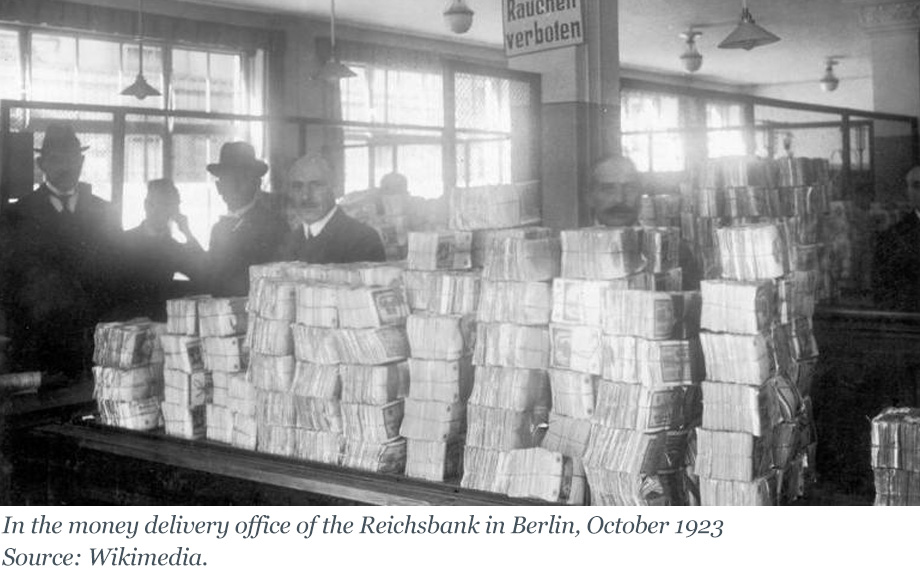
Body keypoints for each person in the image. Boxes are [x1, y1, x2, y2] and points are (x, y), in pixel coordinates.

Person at [0, 122, 120, 377]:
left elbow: (116, 278)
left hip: (93, 347)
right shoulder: (16, 215)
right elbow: (7, 283)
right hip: (36, 349)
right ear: (41, 164)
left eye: (73, 158)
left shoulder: (105, 213)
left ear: (82, 161)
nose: (67, 165)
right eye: (57, 158)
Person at [587, 155, 700, 290]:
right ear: (590, 197)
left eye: (629, 188)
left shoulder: (676, 251)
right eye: (608, 188)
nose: (619, 199)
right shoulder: (567, 254)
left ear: (641, 194)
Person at [206, 142, 287, 298]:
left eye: (243, 177)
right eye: (229, 178)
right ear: (219, 187)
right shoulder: (218, 230)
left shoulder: (274, 226)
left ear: (257, 184)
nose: (235, 185)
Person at [120, 179, 205, 321]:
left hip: (159, 323)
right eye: (162, 204)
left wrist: (187, 232)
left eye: (170, 206)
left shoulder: (173, 248)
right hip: (126, 322)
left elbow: (203, 274)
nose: (165, 212)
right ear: (147, 205)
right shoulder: (123, 242)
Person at [278, 154, 385, 264]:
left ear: (336, 189)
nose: (305, 196)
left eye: (316, 185)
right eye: (298, 186)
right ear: (290, 192)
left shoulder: (362, 239)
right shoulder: (290, 240)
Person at [873, 166, 920, 311]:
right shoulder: (892, 237)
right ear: (908, 191)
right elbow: (883, 291)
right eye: (916, 186)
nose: (916, 192)